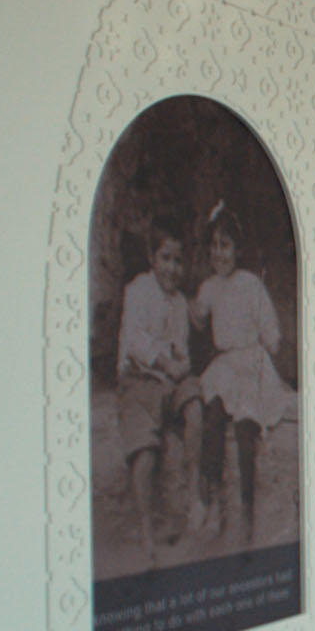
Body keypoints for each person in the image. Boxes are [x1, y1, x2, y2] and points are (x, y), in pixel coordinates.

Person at [191, 201, 294, 540]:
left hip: (250, 365)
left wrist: (271, 341)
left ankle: (247, 511)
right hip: (224, 368)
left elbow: (270, 331)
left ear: (237, 249)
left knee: (245, 429)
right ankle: (213, 501)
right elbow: (198, 317)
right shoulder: (209, 287)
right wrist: (195, 313)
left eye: (225, 245)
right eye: (213, 245)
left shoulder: (250, 284)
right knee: (213, 418)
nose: (218, 253)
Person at [116, 214, 201, 553]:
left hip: (170, 380)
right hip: (140, 378)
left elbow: (181, 347)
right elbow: (136, 342)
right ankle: (146, 527)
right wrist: (166, 363)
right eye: (165, 258)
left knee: (195, 406)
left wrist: (181, 363)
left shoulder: (179, 302)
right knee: (145, 448)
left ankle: (194, 493)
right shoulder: (137, 291)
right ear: (152, 258)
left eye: (178, 261)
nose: (172, 268)